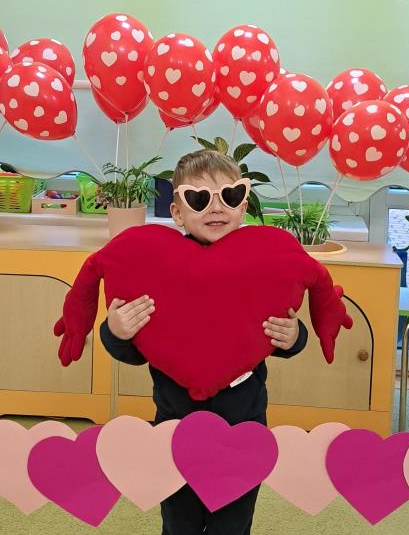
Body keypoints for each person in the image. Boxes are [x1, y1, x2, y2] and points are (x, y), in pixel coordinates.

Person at [100, 148, 309, 535]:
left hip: (243, 425)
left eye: (229, 195)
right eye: (199, 198)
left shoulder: (261, 264)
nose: (216, 208)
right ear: (177, 212)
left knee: (233, 523)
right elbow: (132, 346)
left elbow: (285, 329)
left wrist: (294, 337)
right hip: (175, 424)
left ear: (243, 205)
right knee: (179, 521)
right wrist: (117, 330)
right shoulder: (157, 267)